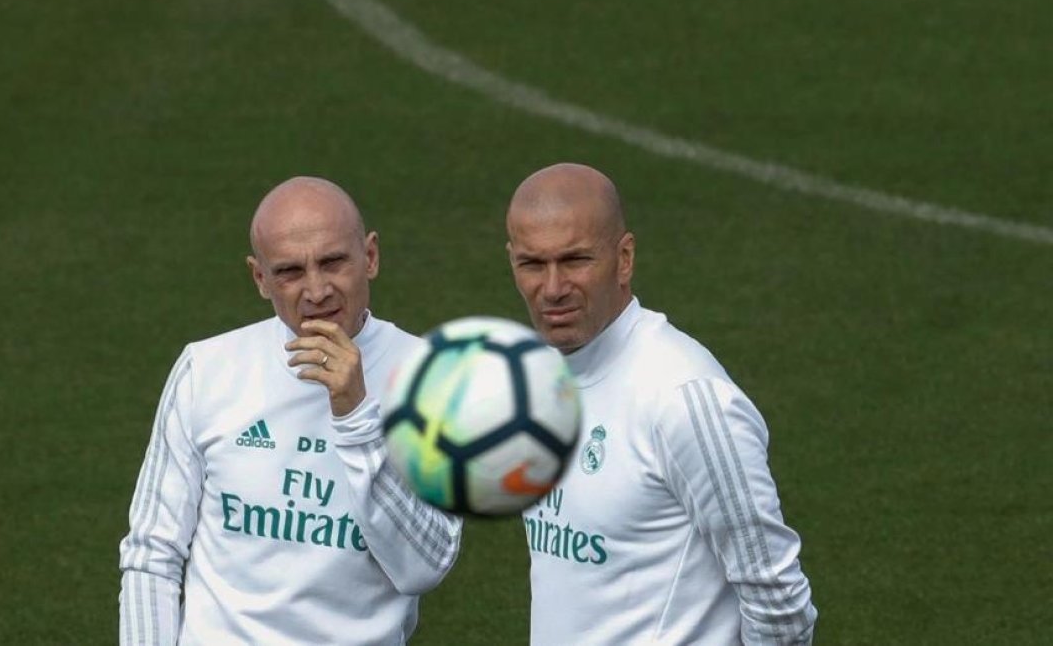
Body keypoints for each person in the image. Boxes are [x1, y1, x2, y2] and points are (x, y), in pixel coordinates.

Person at [119, 176, 462, 644]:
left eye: (333, 262)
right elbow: (151, 554)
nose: (316, 290)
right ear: (260, 279)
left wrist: (356, 414)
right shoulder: (207, 370)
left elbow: (425, 564)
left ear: (371, 257)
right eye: (290, 272)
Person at [506, 163, 817, 644]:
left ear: (624, 258)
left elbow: (777, 599)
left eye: (575, 261)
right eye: (533, 264)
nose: (552, 288)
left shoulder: (684, 398)